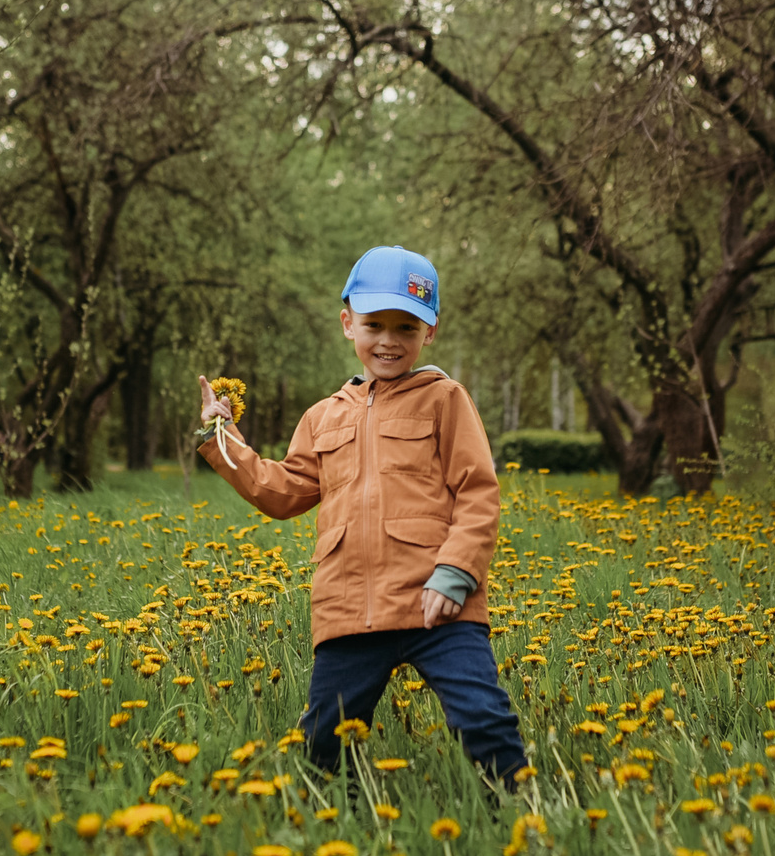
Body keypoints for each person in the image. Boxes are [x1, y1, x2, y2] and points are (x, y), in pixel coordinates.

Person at [195, 245, 530, 789]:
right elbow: (282, 492)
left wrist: (457, 573)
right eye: (375, 324)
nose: (389, 341)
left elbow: (477, 493)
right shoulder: (322, 416)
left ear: (430, 332)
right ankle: (339, 822)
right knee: (326, 739)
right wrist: (221, 435)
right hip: (348, 609)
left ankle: (519, 812)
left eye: (406, 327)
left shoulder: (446, 399)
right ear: (348, 323)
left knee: (484, 718)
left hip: (439, 605)